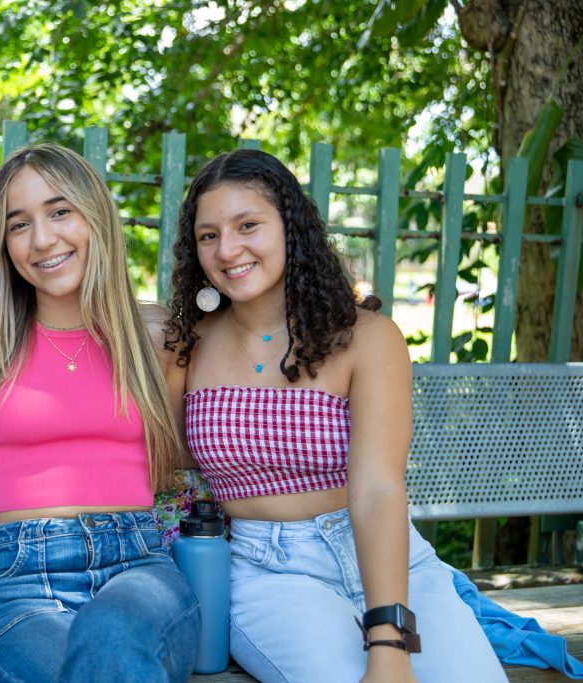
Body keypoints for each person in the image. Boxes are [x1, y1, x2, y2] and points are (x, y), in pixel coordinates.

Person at [164, 149, 507, 683]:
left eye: (248, 225)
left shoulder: (367, 338)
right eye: (208, 235)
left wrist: (390, 643)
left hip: (391, 559)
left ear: (291, 228)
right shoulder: (186, 344)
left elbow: (376, 490)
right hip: (267, 572)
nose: (228, 249)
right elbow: (155, 453)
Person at [0, 143, 200, 682]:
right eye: (19, 224)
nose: (42, 239)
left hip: (140, 569)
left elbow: (176, 455)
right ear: (3, 242)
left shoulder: (153, 337)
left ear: (96, 216)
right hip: (18, 582)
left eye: (61, 211)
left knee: (112, 633)